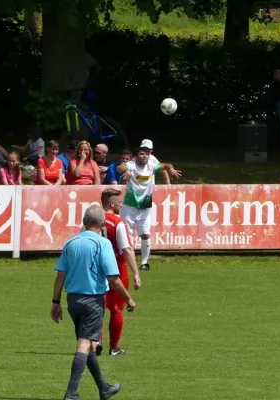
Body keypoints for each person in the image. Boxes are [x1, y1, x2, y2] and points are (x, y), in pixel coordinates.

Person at [51, 205, 136, 400]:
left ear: (84, 222)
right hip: (92, 301)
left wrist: (55, 302)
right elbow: (113, 278)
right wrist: (128, 298)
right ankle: (71, 393)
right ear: (100, 223)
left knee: (89, 345)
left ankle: (104, 389)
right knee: (84, 344)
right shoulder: (103, 244)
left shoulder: (70, 242)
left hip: (73, 301)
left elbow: (60, 275)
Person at [116, 147, 181, 271]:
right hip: (129, 205)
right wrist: (127, 171)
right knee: (126, 235)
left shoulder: (151, 166)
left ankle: (144, 263)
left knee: (145, 235)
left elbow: (166, 165)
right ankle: (124, 261)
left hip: (144, 206)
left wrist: (171, 169)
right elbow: (119, 167)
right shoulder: (131, 165)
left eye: (146, 154)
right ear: (137, 156)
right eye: (141, 154)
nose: (144, 156)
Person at [96, 189, 141, 357]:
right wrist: (136, 272)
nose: (121, 205)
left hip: (96, 270)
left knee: (97, 307)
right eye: (120, 202)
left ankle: (97, 339)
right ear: (112, 203)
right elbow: (127, 249)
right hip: (116, 270)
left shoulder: (93, 221)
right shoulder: (118, 223)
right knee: (116, 309)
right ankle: (114, 348)